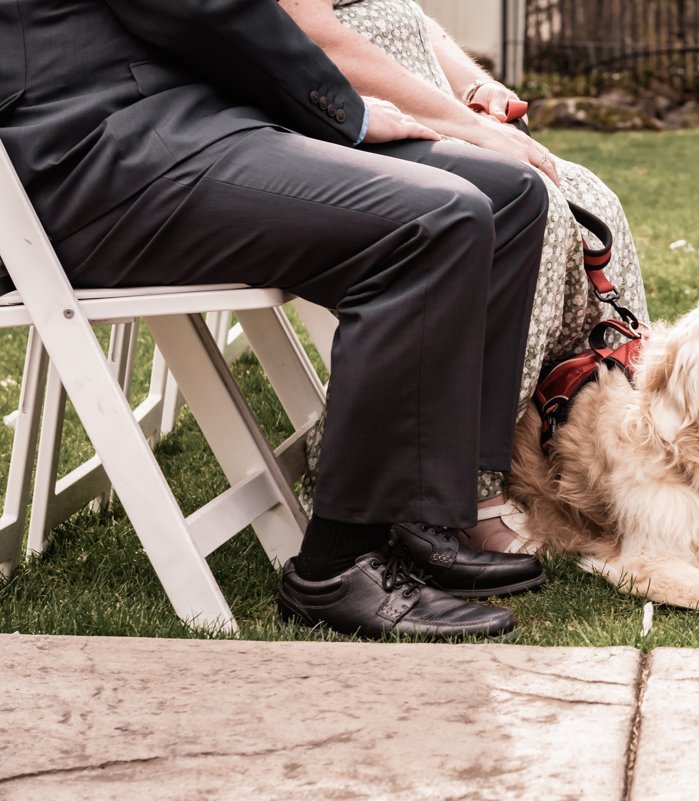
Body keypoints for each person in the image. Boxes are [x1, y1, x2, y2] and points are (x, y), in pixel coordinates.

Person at [0, 0, 551, 639]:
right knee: (434, 221)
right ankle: (338, 566)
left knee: (510, 193)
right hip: (86, 149)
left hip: (192, 114)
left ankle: (417, 508)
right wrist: (346, 112)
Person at [282, 0, 650, 553]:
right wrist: (468, 129)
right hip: (354, 125)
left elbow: (410, 20)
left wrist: (476, 88)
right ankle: (461, 488)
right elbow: (319, 39)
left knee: (591, 200)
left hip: (435, 116)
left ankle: (581, 444)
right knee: (532, 207)